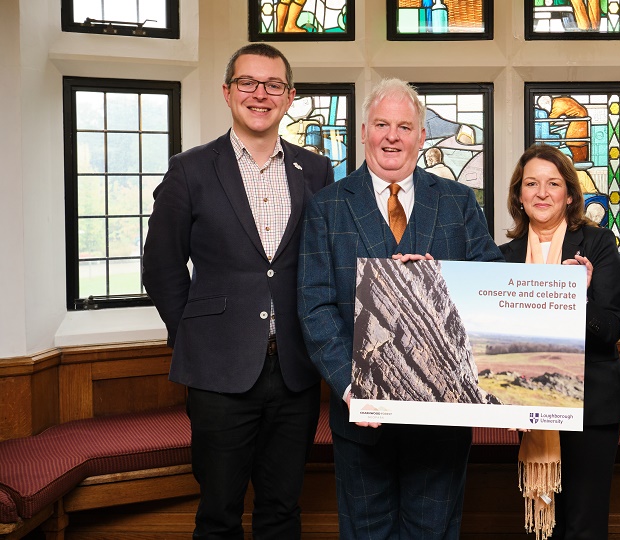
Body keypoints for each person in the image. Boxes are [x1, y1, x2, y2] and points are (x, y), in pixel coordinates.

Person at [142, 43, 333, 538]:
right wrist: (191, 331)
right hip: (217, 369)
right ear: (227, 92)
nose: (260, 94)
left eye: (273, 85)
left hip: (295, 370)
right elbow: (161, 264)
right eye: (248, 82)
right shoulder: (191, 169)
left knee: (282, 508)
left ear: (289, 97)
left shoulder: (315, 170)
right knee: (219, 512)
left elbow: (327, 258)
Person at [297, 77, 502, 540]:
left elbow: (489, 287)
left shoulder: (458, 202)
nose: (393, 136)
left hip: (441, 420)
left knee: (434, 533)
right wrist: (351, 386)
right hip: (361, 416)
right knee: (366, 533)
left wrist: (442, 281)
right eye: (382, 124)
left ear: (422, 136)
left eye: (405, 126)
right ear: (365, 129)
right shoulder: (326, 207)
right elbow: (314, 307)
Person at [499, 144, 620, 540]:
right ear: (519, 196)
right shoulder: (501, 257)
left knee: (584, 525)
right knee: (544, 530)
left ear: (570, 194)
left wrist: (577, 294)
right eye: (531, 184)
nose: (542, 192)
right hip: (529, 404)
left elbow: (609, 330)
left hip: (592, 406)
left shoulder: (599, 244)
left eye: (553, 183)